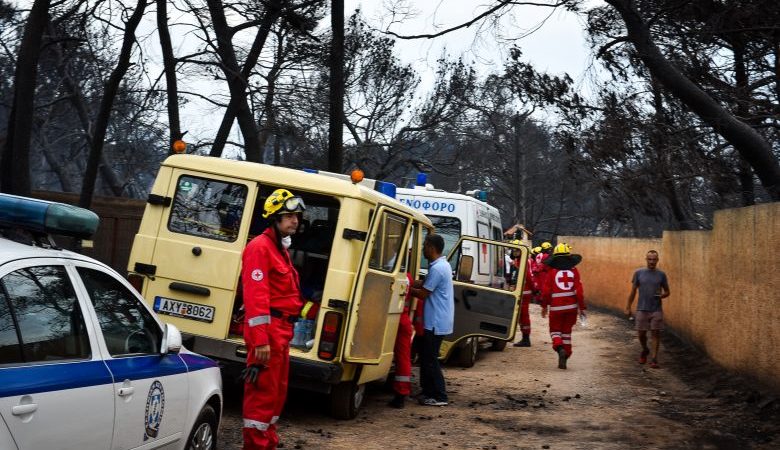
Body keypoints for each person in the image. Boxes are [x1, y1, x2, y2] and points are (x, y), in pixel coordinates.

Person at [240, 188, 306, 450]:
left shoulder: (280, 250)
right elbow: (256, 298)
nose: (295, 221)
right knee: (262, 398)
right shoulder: (260, 248)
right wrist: (261, 341)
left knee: (275, 395)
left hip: (281, 332)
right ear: (274, 218)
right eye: (289, 216)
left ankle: (267, 443)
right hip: (268, 334)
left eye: (297, 216)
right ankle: (256, 445)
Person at [410, 233, 454, 407]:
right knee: (426, 357)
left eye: (424, 246)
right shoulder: (441, 265)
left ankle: (440, 395)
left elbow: (423, 293)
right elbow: (425, 283)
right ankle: (428, 391)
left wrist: (405, 287)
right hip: (437, 320)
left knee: (430, 359)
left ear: (431, 247)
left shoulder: (437, 268)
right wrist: (412, 282)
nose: (422, 249)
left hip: (436, 322)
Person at [541, 243, 585, 370]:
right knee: (566, 332)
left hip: (556, 308)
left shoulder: (551, 272)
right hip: (571, 308)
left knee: (555, 331)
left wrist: (544, 306)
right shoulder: (574, 271)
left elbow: (546, 292)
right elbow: (579, 292)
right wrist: (582, 308)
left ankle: (559, 348)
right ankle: (566, 354)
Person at [625, 250, 670, 369]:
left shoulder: (661, 275)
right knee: (641, 334)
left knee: (656, 333)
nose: (652, 262)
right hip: (641, 309)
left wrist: (661, 296)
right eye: (649, 259)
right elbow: (633, 291)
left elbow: (667, 292)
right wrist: (628, 307)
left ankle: (654, 359)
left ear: (657, 260)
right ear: (646, 259)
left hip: (656, 309)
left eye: (654, 259)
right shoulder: (639, 273)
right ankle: (645, 350)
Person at [388, 272, 415, 408]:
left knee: (402, 358)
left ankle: (400, 393)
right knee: (403, 358)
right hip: (402, 319)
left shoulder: (394, 274)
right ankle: (401, 393)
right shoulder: (408, 277)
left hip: (396, 317)